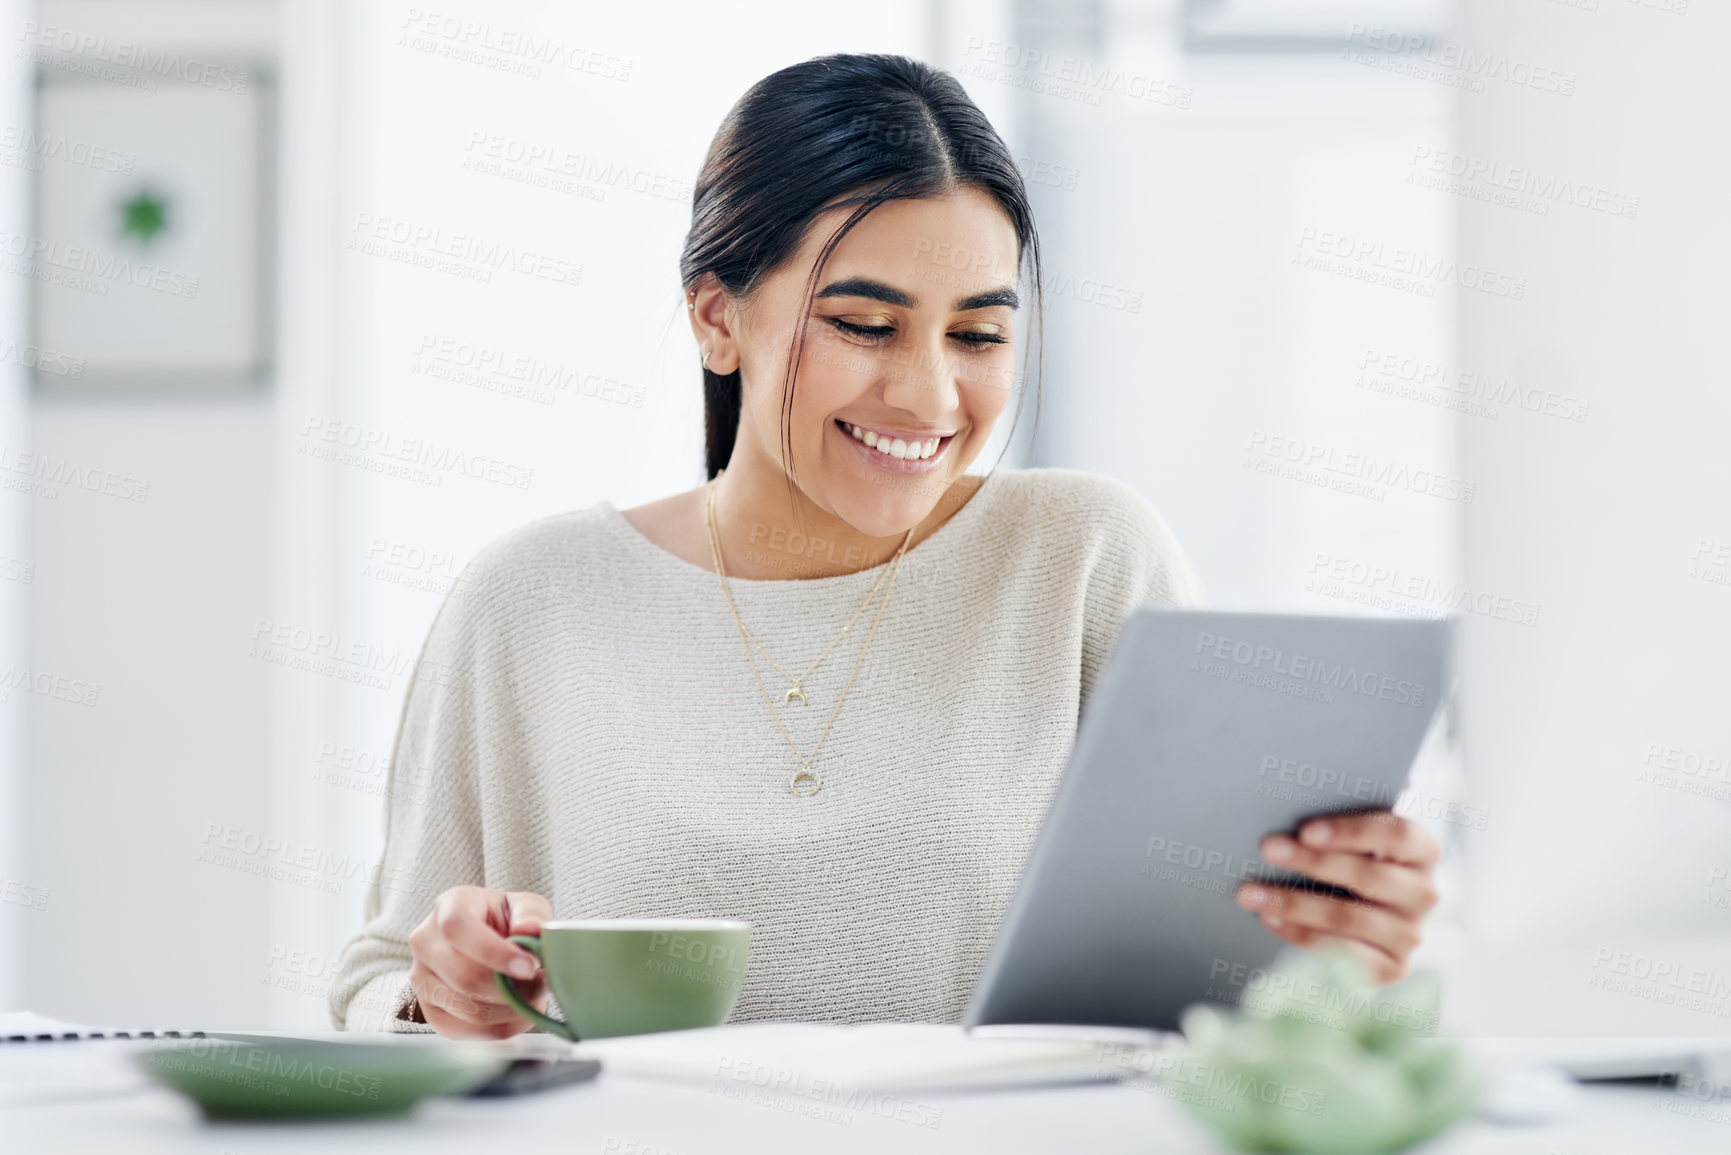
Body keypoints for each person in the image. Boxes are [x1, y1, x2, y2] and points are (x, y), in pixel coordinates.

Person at [329, 53, 1439, 1038]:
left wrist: (1333, 952)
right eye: (864, 325)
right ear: (717, 317)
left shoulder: (1085, 560)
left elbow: (1214, 999)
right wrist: (442, 997)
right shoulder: (533, 600)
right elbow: (386, 977)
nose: (930, 394)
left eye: (979, 333)